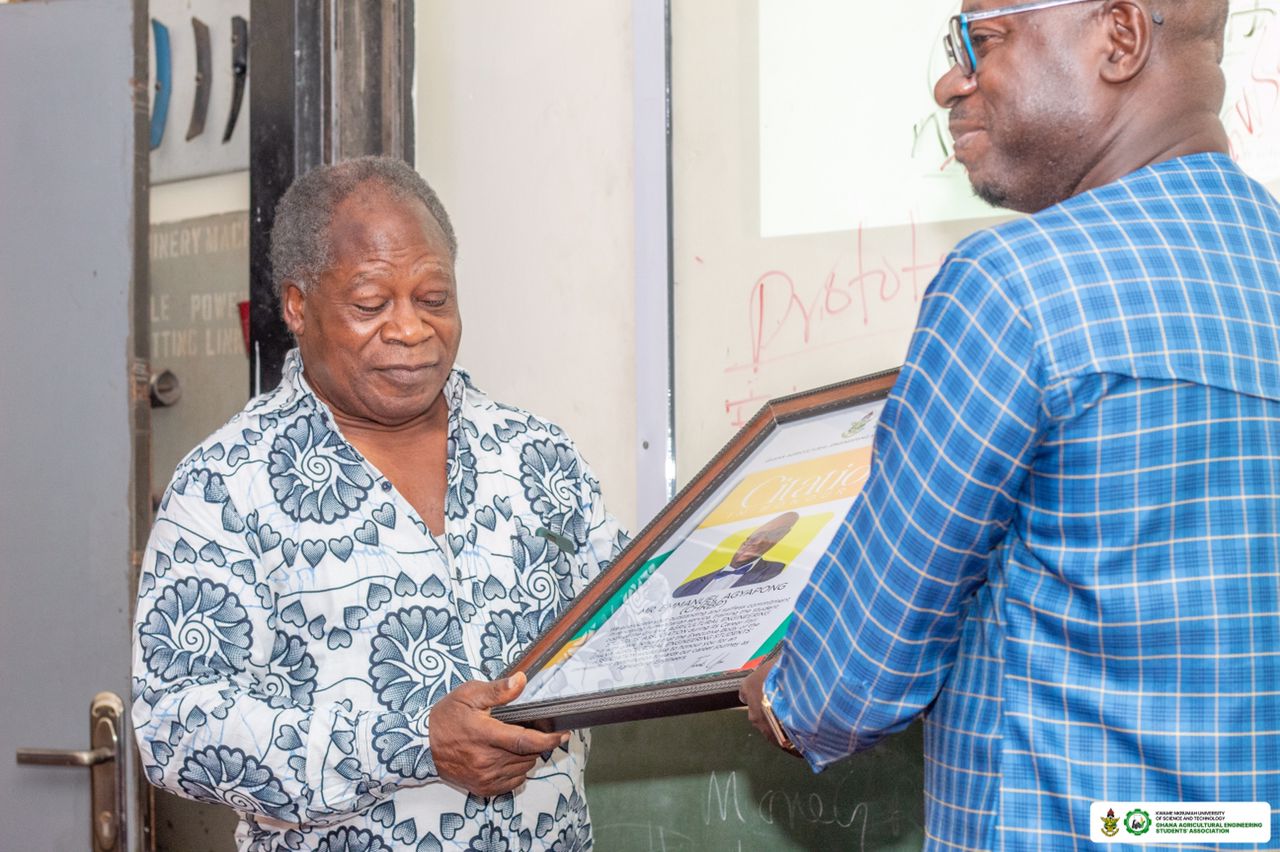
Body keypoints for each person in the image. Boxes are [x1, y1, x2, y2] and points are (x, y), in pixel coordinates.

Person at [741, 0, 1280, 848]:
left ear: (1121, 37)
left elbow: (850, 678)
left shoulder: (1015, 286)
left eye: (980, 41)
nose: (950, 80)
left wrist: (786, 694)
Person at [131, 156, 629, 851]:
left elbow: (627, 616)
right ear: (298, 306)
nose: (410, 330)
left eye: (434, 300)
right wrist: (415, 742)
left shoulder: (535, 455)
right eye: (371, 305)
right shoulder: (223, 487)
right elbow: (175, 729)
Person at [671, 511, 799, 597]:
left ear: (776, 541)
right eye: (753, 537)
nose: (756, 542)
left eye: (768, 537)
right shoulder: (686, 588)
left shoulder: (775, 572)